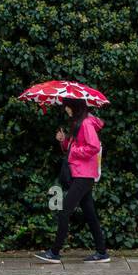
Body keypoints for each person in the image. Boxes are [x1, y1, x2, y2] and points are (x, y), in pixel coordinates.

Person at [36, 98, 110, 264]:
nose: (65, 110)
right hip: (80, 174)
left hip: (84, 175)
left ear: (75, 107)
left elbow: (94, 146)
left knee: (64, 211)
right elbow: (73, 147)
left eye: (67, 106)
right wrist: (64, 141)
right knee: (90, 214)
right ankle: (102, 252)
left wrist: (73, 150)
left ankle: (54, 252)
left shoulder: (86, 124)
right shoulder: (78, 123)